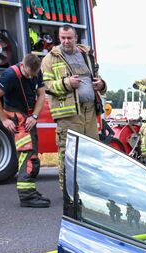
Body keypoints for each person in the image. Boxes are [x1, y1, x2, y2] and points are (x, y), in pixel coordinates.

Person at [41, 25, 106, 201]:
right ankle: (69, 193)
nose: (66, 41)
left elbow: (96, 76)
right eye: (62, 38)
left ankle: (91, 191)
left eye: (69, 38)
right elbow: (46, 86)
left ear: (76, 37)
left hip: (90, 111)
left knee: (91, 151)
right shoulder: (50, 59)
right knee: (69, 153)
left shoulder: (86, 54)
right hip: (69, 114)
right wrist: (66, 83)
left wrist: (101, 84)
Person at [0, 53, 48, 207]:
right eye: (28, 74)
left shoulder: (36, 71)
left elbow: (41, 94)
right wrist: (4, 119)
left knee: (33, 156)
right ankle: (27, 197)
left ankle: (31, 192)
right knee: (27, 157)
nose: (30, 77)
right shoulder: (10, 76)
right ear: (22, 65)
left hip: (28, 117)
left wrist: (34, 116)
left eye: (33, 75)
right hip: (18, 118)